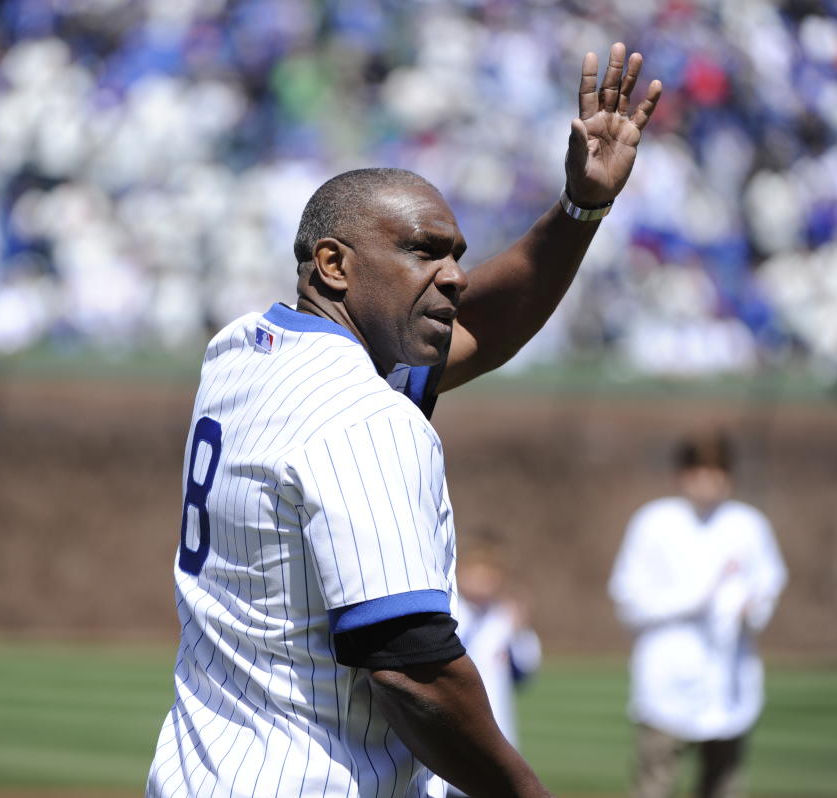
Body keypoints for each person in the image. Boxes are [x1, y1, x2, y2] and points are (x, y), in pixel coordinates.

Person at [146, 43, 662, 798]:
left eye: (455, 254)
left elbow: (477, 324)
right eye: (423, 251)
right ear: (332, 264)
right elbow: (411, 671)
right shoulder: (364, 417)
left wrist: (581, 207)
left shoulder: (238, 351)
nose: (452, 274)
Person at [608, 431, 787, 798]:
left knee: (724, 782)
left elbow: (768, 584)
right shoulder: (653, 522)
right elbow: (629, 598)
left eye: (717, 472)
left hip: (730, 677)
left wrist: (751, 608)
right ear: (682, 475)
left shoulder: (748, 525)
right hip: (666, 676)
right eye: (699, 472)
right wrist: (695, 598)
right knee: (655, 781)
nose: (707, 482)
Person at [446, 535, 541, 798]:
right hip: (454, 731)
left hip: (498, 727)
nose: (483, 582)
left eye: (490, 574)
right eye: (476, 573)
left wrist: (520, 628)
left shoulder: (504, 619)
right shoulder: (450, 614)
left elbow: (524, 673)